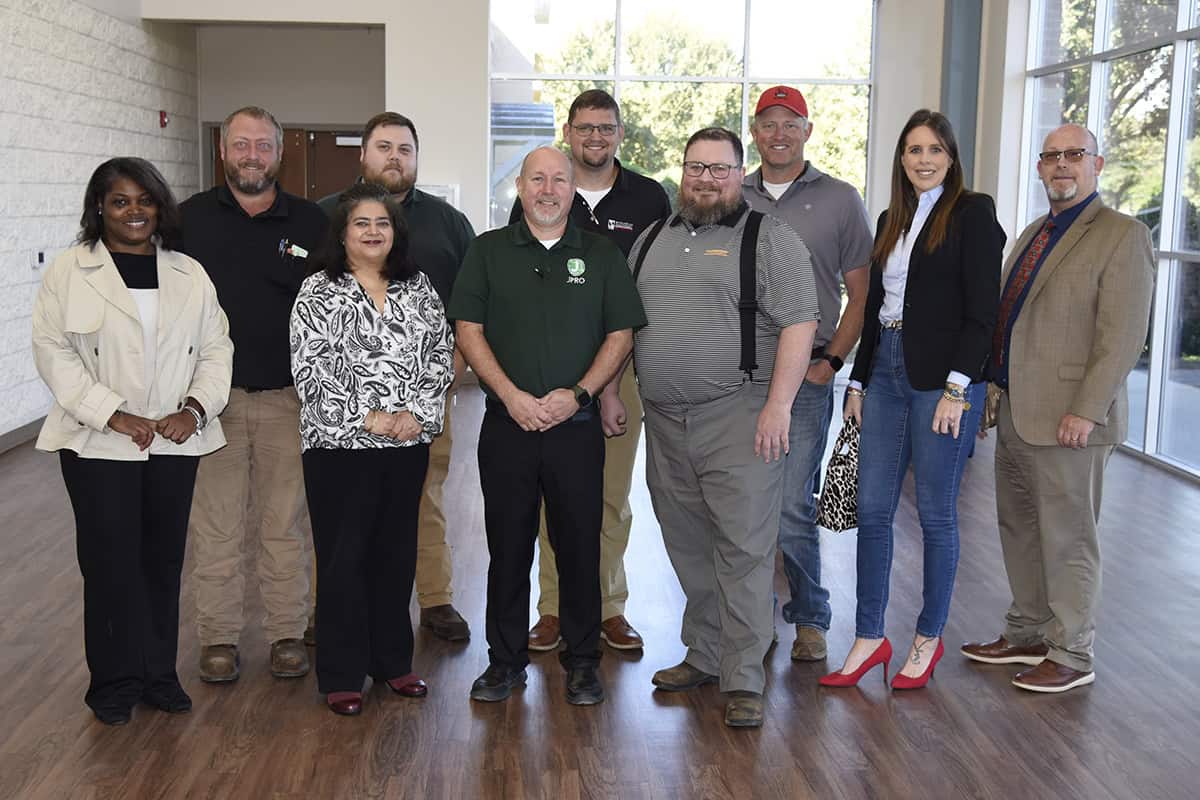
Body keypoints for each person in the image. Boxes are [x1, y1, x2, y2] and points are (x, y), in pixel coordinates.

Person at [32, 157, 233, 725]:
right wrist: (112, 414)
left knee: (163, 562)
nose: (134, 211)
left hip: (174, 441)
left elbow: (217, 349)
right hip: (98, 444)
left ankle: (158, 677)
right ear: (100, 207)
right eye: (120, 201)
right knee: (109, 562)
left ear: (160, 207)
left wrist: (194, 411)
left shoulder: (190, 274)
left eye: (144, 200)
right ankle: (113, 683)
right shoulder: (71, 271)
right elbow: (54, 352)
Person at [631, 127, 819, 728]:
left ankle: (743, 676)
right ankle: (706, 653)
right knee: (687, 540)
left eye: (721, 168)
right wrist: (613, 392)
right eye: (695, 167)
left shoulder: (769, 237)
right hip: (663, 417)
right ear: (681, 172)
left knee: (743, 545)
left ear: (742, 174)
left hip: (739, 412)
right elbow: (624, 325)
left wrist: (779, 406)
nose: (706, 179)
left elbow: (799, 323)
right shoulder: (650, 240)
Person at [449, 146, 645, 706]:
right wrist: (511, 396)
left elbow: (621, 335)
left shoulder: (603, 255)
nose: (549, 189)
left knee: (579, 547)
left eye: (560, 179)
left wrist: (579, 394)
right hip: (507, 426)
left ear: (572, 189)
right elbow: (468, 328)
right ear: (520, 186)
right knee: (507, 548)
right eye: (538, 178)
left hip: (575, 428)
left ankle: (582, 663)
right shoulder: (487, 251)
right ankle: (503, 662)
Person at [962, 124, 1154, 693]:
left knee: (1070, 538)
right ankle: (1026, 630)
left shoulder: (1122, 235)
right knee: (1019, 528)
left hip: (1071, 419)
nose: (1061, 165)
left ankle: (1071, 651)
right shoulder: (1033, 233)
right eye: (1051, 157)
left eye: (1074, 155)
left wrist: (1087, 410)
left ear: (1097, 163)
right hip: (1019, 411)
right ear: (1040, 168)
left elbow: (1122, 336)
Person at [820, 109, 1004, 690]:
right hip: (886, 376)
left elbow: (983, 313)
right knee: (872, 511)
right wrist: (857, 381)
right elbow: (877, 310)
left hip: (941, 382)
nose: (922, 160)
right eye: (912, 150)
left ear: (951, 157)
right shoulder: (889, 218)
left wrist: (958, 388)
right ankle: (870, 637)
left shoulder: (973, 214)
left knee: (934, 515)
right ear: (901, 158)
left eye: (934, 150)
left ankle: (928, 636)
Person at [508, 89, 672, 653]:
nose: (594, 137)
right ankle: (553, 608)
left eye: (606, 127)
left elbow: (654, 290)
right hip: (551, 369)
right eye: (584, 128)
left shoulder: (650, 197)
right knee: (556, 494)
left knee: (608, 495)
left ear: (620, 133)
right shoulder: (546, 192)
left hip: (622, 367)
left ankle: (607, 605)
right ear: (570, 131)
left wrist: (607, 387)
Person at [291, 183, 454, 715]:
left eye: (382, 223)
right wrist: (371, 418)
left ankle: (393, 663)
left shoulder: (418, 287)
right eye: (361, 223)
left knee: (394, 554)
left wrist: (417, 416)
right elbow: (311, 370)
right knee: (343, 559)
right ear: (342, 232)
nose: (373, 232)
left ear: (395, 232)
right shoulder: (318, 291)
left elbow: (439, 356)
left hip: (404, 445)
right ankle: (341, 672)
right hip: (339, 448)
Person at [180, 106, 329, 684]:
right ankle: (218, 638)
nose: (251, 155)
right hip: (208, 404)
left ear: (279, 152)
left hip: (288, 400)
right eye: (241, 144)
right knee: (215, 527)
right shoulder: (187, 220)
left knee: (284, 525)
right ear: (223, 149)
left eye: (262, 146)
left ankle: (287, 633)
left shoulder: (312, 222)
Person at [316, 112, 475, 642]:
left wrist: (450, 371)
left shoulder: (449, 224)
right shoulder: (326, 217)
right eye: (383, 147)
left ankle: (434, 599)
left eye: (405, 149)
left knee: (424, 494)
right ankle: (333, 607)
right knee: (342, 508)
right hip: (343, 403)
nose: (394, 158)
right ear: (363, 155)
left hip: (424, 398)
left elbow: (472, 306)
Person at [743, 85, 874, 662]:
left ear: (807, 132)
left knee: (794, 500)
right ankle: (750, 620)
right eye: (768, 124)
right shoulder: (729, 191)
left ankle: (811, 614)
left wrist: (832, 363)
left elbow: (861, 294)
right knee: (744, 501)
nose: (778, 134)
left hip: (807, 374)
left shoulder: (841, 199)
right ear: (754, 132)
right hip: (736, 374)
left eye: (789, 124)